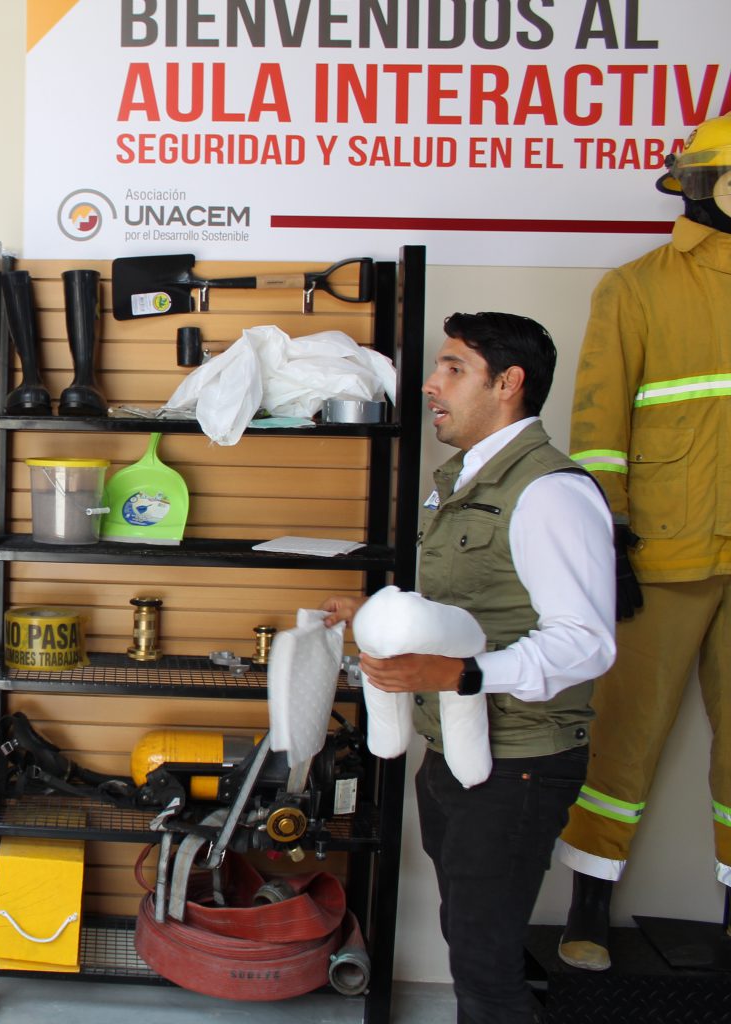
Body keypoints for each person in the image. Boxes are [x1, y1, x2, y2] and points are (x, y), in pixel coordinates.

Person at [324, 312, 616, 1024]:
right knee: (470, 945)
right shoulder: (462, 478)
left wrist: (466, 676)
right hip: (454, 752)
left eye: (454, 368)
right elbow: (461, 608)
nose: (431, 383)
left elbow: (587, 643)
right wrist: (373, 616)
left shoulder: (549, 492)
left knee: (485, 969)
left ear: (508, 384)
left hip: (518, 763)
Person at [554, 112, 731, 970]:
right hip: (665, 549)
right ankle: (590, 903)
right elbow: (596, 426)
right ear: (710, 184)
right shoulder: (636, 287)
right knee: (627, 731)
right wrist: (606, 539)